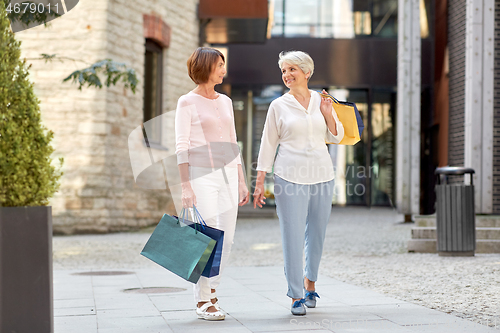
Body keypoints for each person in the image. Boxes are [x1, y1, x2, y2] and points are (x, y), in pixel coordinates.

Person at [253, 50, 344, 316]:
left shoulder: (322, 100)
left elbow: (336, 138)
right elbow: (267, 144)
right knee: (292, 235)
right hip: (288, 176)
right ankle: (295, 295)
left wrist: (327, 113)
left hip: (322, 175)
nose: (287, 75)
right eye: (283, 71)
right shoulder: (278, 106)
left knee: (317, 233)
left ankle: (310, 284)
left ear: (307, 72)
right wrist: (260, 182)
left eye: (292, 69)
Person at [175, 47, 249, 320]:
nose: (223, 69)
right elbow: (181, 146)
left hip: (228, 175)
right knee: (207, 237)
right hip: (201, 175)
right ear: (206, 67)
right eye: (219, 64)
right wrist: (185, 186)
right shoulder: (187, 102)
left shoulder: (226, 101)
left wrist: (241, 180)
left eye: (223, 64)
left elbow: (233, 142)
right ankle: (202, 300)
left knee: (226, 239)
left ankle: (213, 293)